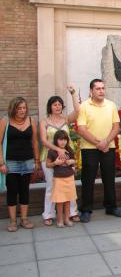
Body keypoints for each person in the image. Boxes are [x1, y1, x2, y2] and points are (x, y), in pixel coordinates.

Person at [77, 79, 121, 222]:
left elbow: (116, 126)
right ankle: (86, 209)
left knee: (109, 178)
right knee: (88, 180)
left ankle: (111, 207)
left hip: (108, 148)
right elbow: (81, 129)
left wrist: (106, 141)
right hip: (89, 149)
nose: (101, 91)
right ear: (91, 91)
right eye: (98, 88)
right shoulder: (84, 106)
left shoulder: (111, 105)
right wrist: (99, 143)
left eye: (103, 88)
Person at [39, 87, 80, 226]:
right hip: (50, 158)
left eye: (59, 104)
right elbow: (44, 141)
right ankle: (49, 214)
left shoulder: (66, 119)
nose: (57, 106)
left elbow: (78, 111)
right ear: (50, 107)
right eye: (54, 104)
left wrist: (73, 94)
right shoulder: (44, 122)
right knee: (52, 186)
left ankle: (72, 212)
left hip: (68, 158)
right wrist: (58, 150)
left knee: (69, 185)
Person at [0, 97, 40, 232]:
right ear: (14, 109)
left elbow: (34, 142)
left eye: (24, 108)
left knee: (24, 191)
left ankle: (24, 219)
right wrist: (1, 163)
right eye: (19, 108)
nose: (22, 110)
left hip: (28, 161)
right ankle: (12, 221)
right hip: (11, 163)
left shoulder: (31, 121)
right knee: (12, 192)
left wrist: (37, 161)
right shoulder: (5, 121)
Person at [46, 130, 77, 227]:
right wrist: (55, 163)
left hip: (69, 178)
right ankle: (60, 220)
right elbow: (47, 164)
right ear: (56, 140)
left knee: (68, 200)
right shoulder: (52, 152)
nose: (63, 142)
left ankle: (67, 219)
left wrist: (71, 161)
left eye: (65, 140)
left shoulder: (69, 150)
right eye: (60, 140)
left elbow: (75, 161)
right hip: (59, 179)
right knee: (59, 201)